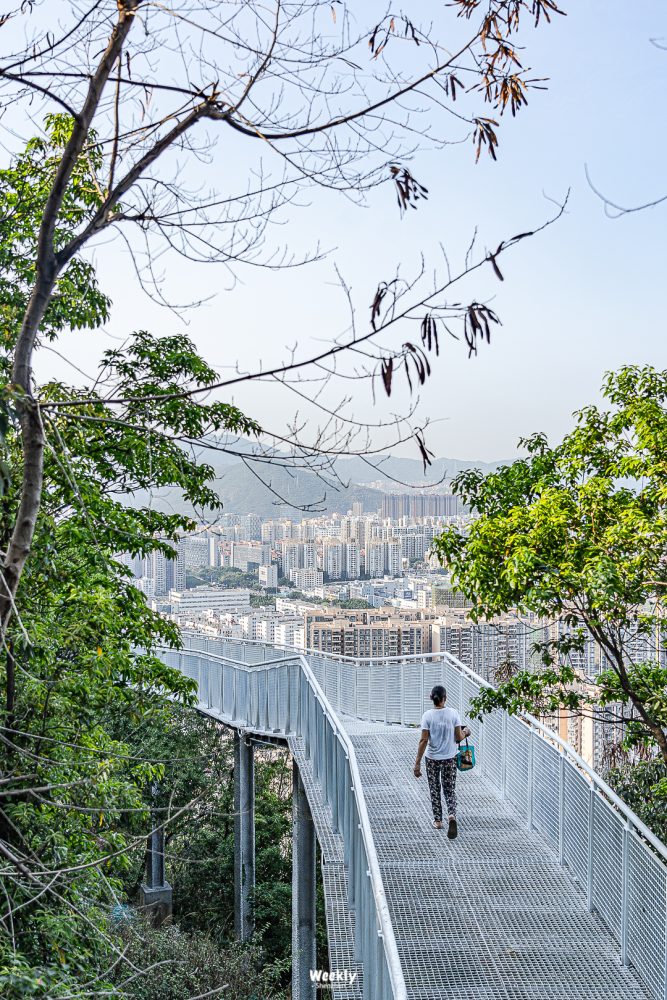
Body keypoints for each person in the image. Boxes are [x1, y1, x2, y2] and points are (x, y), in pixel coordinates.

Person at [413, 684, 471, 839]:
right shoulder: (453, 713)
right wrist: (466, 732)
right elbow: (459, 737)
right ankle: (451, 815)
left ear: (432, 698)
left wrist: (417, 762)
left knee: (435, 788)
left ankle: (438, 821)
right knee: (449, 789)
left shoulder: (427, 716)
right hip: (450, 758)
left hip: (432, 758)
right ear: (445, 698)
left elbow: (423, 740)